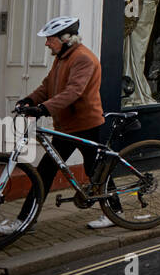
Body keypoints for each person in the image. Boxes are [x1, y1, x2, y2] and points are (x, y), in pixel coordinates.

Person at [11, 16, 111, 231]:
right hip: (67, 125)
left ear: (65, 39)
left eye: (50, 39)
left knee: (94, 170)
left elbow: (74, 91)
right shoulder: (63, 57)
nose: (47, 43)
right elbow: (47, 86)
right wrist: (30, 100)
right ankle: (26, 219)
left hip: (85, 124)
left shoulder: (83, 58)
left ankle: (114, 213)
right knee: (47, 171)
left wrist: (43, 109)